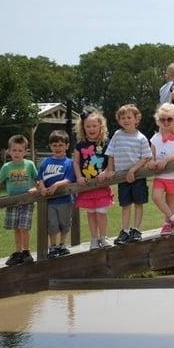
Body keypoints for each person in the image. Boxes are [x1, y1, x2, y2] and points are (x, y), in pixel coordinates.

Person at [0, 135, 38, 266]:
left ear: (25, 152)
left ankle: (26, 251)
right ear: (9, 151)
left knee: (24, 227)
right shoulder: (7, 167)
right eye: (14, 150)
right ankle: (18, 252)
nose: (17, 153)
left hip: (26, 201)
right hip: (12, 202)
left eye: (20, 151)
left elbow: (38, 179)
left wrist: (35, 188)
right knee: (16, 228)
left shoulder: (29, 165)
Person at [101, 104, 152, 245]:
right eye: (122, 118)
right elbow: (110, 153)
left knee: (138, 203)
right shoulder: (117, 135)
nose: (126, 120)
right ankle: (124, 230)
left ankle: (136, 230)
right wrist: (110, 169)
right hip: (122, 177)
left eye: (129, 117)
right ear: (119, 120)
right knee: (125, 205)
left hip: (138, 176)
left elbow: (146, 157)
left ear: (136, 119)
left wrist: (133, 170)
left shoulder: (141, 138)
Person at [73, 108, 114, 250]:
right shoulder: (80, 144)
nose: (91, 129)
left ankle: (104, 237)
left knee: (101, 213)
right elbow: (76, 162)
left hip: (101, 184)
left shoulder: (105, 142)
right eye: (88, 126)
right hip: (86, 186)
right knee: (91, 214)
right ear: (83, 127)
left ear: (100, 126)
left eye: (94, 126)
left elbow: (111, 160)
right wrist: (78, 176)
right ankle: (94, 239)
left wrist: (107, 171)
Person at [148, 103, 174, 236]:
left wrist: (166, 160)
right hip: (160, 176)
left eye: (169, 119)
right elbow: (150, 157)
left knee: (171, 201)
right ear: (158, 120)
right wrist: (152, 163)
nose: (166, 122)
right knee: (156, 197)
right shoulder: (155, 139)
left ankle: (168, 224)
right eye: (162, 119)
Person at [36, 130, 76, 258]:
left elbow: (70, 179)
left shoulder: (69, 163)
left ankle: (62, 245)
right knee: (52, 225)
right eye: (54, 145)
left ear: (67, 146)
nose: (57, 148)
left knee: (64, 223)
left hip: (65, 200)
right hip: (50, 202)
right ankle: (53, 247)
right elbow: (39, 177)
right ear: (50, 146)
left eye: (60, 145)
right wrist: (42, 186)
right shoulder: (45, 162)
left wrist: (56, 185)